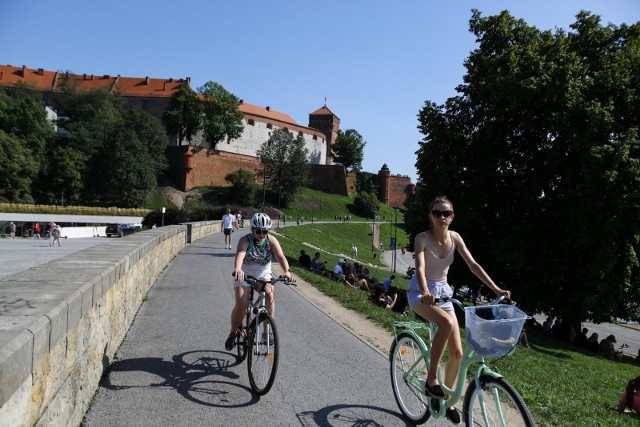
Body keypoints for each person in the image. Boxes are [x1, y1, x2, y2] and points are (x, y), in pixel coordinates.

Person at [408, 196, 510, 425]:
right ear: (430, 216)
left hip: (443, 295)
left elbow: (473, 265)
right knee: (447, 323)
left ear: (452, 217)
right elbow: (420, 267)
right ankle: (431, 378)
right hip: (420, 293)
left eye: (446, 213)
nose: (441, 217)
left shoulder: (455, 238)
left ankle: (447, 398)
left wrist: (495, 288)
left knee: (458, 354)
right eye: (437, 213)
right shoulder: (422, 238)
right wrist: (425, 291)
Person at [225, 212, 295, 351]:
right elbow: (241, 254)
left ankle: (266, 331)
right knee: (242, 304)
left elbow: (280, 256)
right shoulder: (245, 240)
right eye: (258, 231)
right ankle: (233, 332)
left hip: (263, 274)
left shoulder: (271, 240)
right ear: (252, 229)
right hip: (244, 274)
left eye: (265, 231)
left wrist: (286, 271)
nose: (262, 234)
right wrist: (238, 269)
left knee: (269, 294)